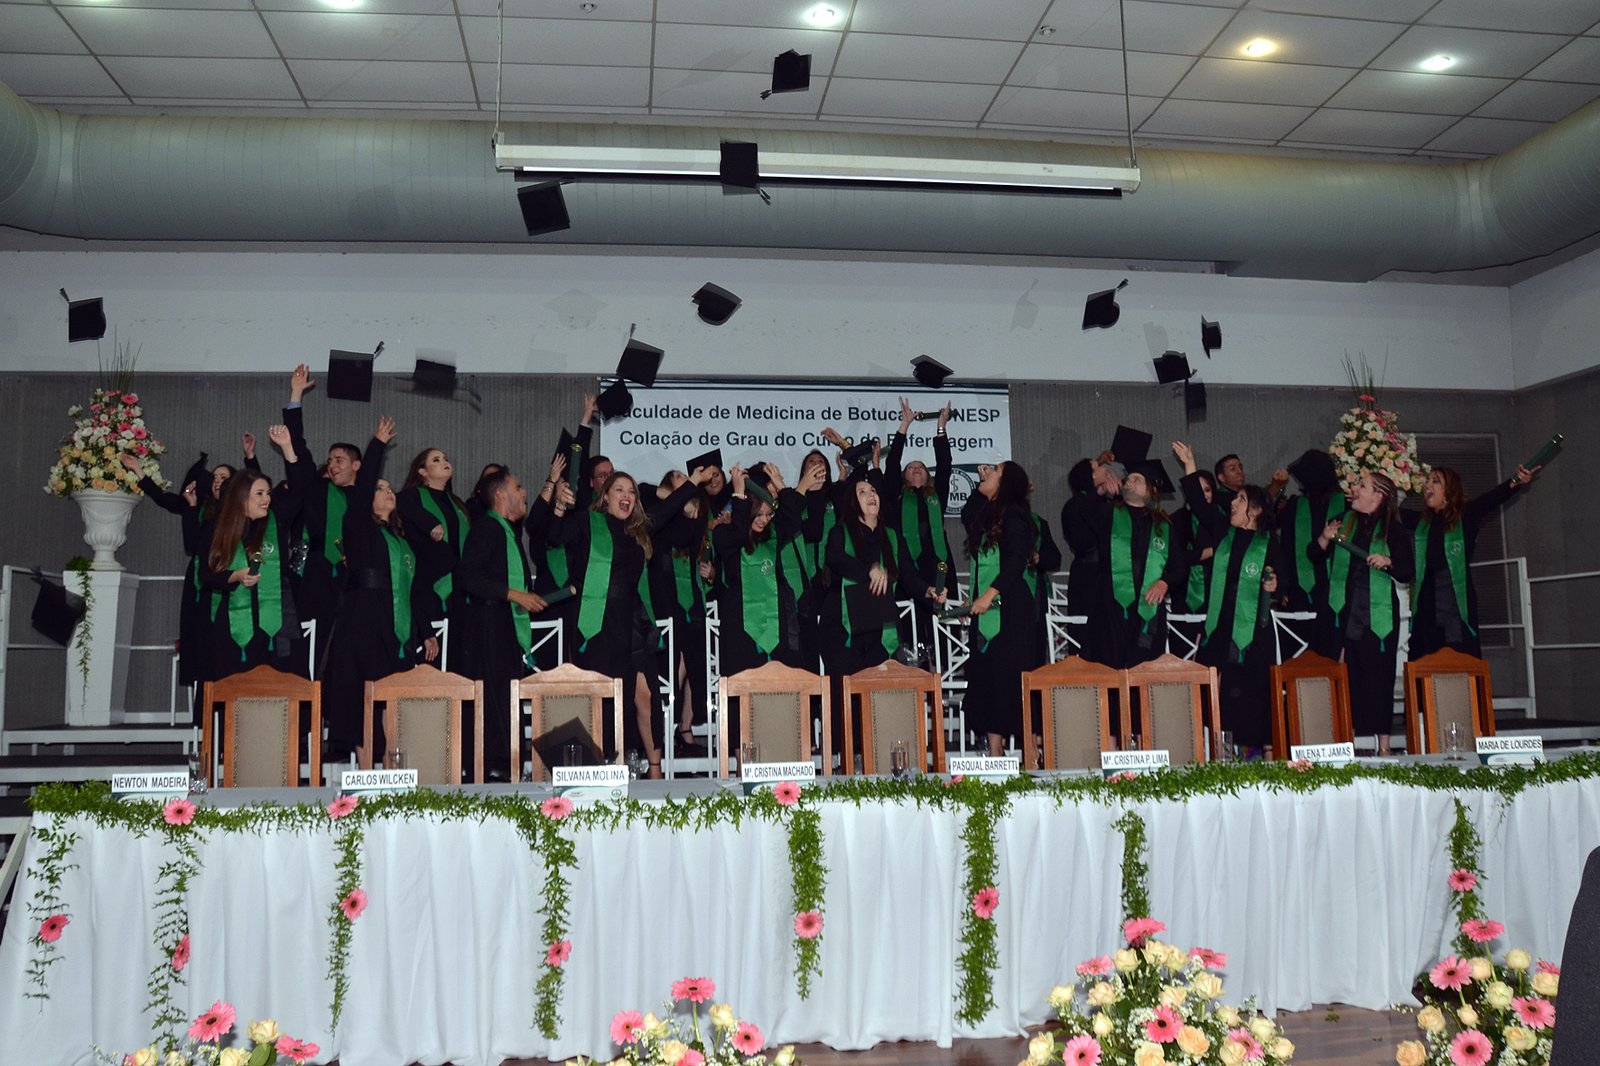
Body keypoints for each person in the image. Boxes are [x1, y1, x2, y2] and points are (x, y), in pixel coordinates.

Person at [545, 465, 709, 763]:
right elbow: (553, 534)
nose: (627, 495)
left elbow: (671, 507)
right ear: (605, 496)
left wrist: (694, 482)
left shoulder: (639, 530)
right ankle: (602, 764)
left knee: (643, 697)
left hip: (633, 625)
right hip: (595, 626)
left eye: (631, 492)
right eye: (619, 489)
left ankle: (649, 766)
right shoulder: (586, 522)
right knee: (599, 700)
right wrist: (558, 503)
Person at [322, 417, 442, 763]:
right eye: (379, 488)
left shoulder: (401, 541)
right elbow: (360, 496)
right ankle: (366, 776)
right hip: (363, 627)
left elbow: (413, 589)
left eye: (390, 489)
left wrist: (427, 631)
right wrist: (376, 445)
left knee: (394, 703)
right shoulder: (358, 527)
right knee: (365, 704)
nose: (388, 492)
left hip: (396, 631)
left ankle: (393, 773)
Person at [1174, 442, 1290, 755]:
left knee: (1254, 692)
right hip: (1220, 627)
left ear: (1255, 510)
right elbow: (1199, 505)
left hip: (1254, 631)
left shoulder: (1271, 545)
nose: (1233, 504)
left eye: (1240, 500)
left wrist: (1275, 588)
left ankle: (1263, 752)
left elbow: (1284, 585)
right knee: (1218, 693)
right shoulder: (1224, 533)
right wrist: (1189, 464)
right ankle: (1220, 752)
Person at [456, 461, 565, 778]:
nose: (525, 492)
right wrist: (516, 596)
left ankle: (507, 764)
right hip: (486, 627)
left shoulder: (507, 531)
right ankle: (493, 766)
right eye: (518, 487)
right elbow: (468, 577)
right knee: (494, 697)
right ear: (501, 495)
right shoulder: (486, 528)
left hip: (503, 625)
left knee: (506, 695)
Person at [1308, 471, 1414, 754]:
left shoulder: (1394, 529)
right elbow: (1313, 555)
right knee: (1345, 677)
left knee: (1378, 676)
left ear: (1378, 496)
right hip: (1342, 610)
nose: (1355, 489)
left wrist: (1388, 561)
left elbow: (1406, 572)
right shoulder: (1343, 522)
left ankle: (1384, 747)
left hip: (1376, 614)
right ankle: (1346, 742)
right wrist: (1324, 537)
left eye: (1362, 486)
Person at [200, 425, 311, 677]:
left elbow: (300, 489)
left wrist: (287, 448)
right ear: (241, 497)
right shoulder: (214, 529)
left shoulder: (276, 520)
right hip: (234, 623)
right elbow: (206, 576)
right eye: (259, 494)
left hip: (277, 622)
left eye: (268, 494)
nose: (267, 499)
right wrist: (235, 576)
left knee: (278, 686)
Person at [1406, 463, 1538, 659]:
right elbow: (1389, 514)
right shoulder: (1422, 522)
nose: (1427, 486)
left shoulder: (1466, 515)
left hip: (1455, 605)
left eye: (1435, 481)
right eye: (1427, 481)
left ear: (1449, 490)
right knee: (1425, 660)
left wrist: (1517, 480)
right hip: (1427, 605)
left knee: (1459, 661)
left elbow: (1492, 499)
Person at [280, 363, 359, 677]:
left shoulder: (369, 498)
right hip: (319, 579)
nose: (333, 465)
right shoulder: (319, 491)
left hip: (356, 585)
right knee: (313, 652)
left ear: (357, 465)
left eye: (340, 459)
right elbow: (300, 453)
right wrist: (296, 395)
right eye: (330, 460)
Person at [961, 461, 1039, 755]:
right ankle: (995, 752)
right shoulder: (988, 513)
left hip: (1011, 611)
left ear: (1005, 483)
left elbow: (1016, 561)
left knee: (1011, 677)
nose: (986, 471)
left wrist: (989, 594)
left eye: (993, 469)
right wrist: (976, 596)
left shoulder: (1016, 515)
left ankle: (1031, 751)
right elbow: (968, 517)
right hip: (989, 607)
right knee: (989, 677)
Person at [1082, 458, 1187, 669]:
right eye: (1128, 478)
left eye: (1137, 479)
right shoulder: (1108, 514)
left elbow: (1179, 566)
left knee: (1143, 671)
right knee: (1109, 669)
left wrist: (1164, 583)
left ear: (1150, 491)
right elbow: (1079, 514)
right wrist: (1100, 492)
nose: (1130, 481)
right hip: (1110, 608)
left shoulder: (1164, 526)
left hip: (1148, 610)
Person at [883, 399, 958, 622]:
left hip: (938, 561)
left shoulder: (936, 496)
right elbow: (893, 462)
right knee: (907, 618)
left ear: (927, 475)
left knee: (941, 616)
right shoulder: (896, 495)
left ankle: (942, 656)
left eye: (921, 467)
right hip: (905, 562)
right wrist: (904, 425)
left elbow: (945, 465)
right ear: (905, 476)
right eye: (912, 467)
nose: (916, 469)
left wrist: (941, 427)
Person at [1277, 449, 1348, 657]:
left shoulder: (1345, 504)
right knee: (1299, 650)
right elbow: (1285, 550)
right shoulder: (1295, 506)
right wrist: (1284, 586)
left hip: (1335, 590)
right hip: (1299, 590)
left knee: (1330, 648)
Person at [396, 446, 471, 631]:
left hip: (459, 581)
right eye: (436, 460)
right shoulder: (412, 496)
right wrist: (429, 523)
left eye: (445, 458)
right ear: (422, 471)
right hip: (428, 580)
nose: (445, 462)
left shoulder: (456, 502)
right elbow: (400, 503)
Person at [1171, 468, 1218, 618]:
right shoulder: (1177, 519)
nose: (1203, 495)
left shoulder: (1221, 519)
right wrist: (1204, 553)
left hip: (1214, 589)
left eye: (1207, 490)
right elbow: (1172, 556)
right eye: (1198, 490)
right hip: (1182, 588)